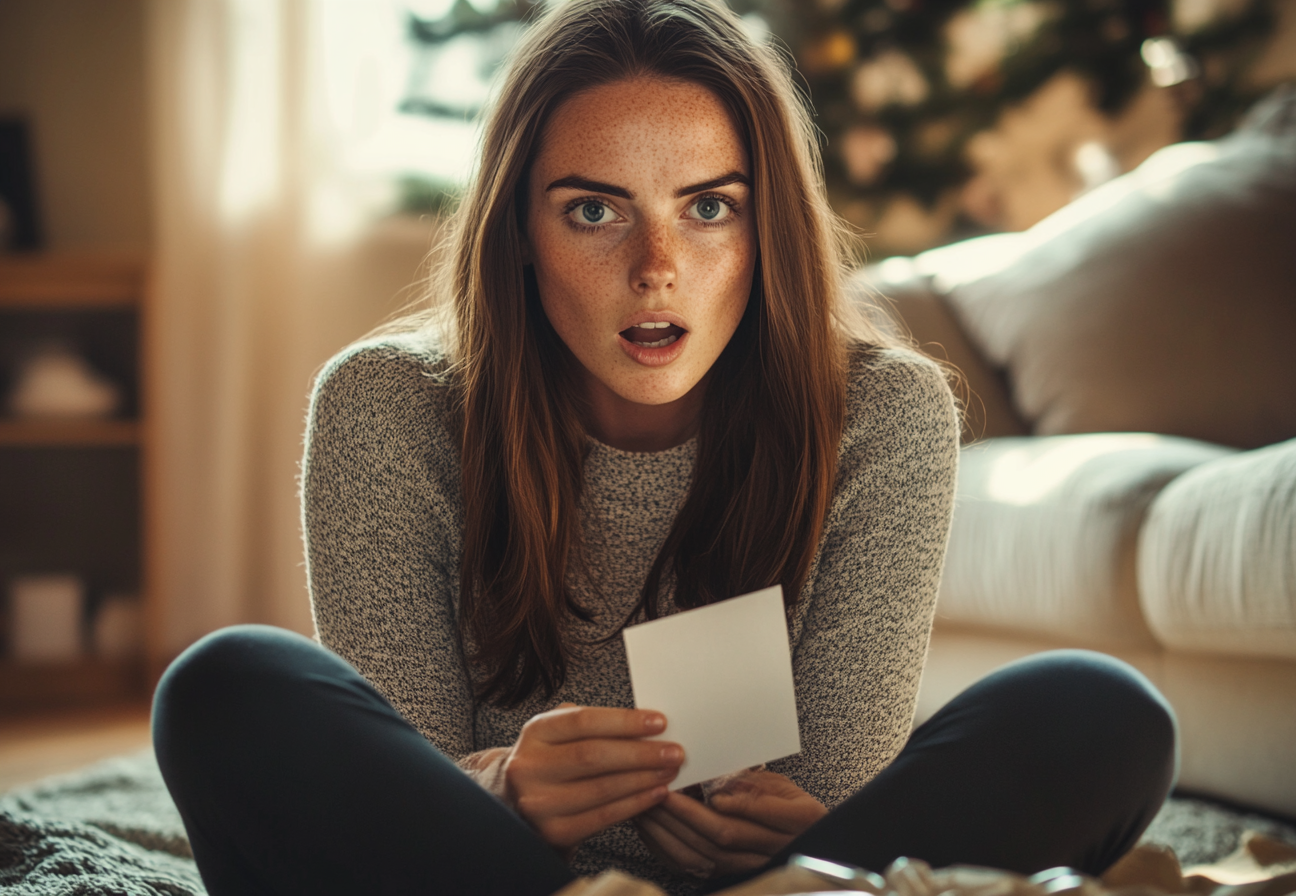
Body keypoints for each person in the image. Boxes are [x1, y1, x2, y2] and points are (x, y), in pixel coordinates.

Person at [151, 2, 1178, 894]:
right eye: (595, 211)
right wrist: (499, 784)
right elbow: (404, 794)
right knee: (226, 684)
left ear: (765, 224)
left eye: (708, 208)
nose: (658, 267)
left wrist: (812, 830)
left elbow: (838, 798)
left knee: (1103, 713)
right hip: (491, 879)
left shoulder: (885, 412)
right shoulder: (386, 406)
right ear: (518, 229)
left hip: (780, 886)